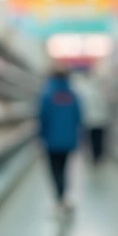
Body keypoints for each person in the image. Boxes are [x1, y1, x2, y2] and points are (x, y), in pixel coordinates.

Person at [38, 67, 81, 210]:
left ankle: (59, 196)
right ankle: (63, 195)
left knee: (54, 169)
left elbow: (42, 117)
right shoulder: (73, 95)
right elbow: (78, 117)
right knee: (65, 167)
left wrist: (41, 136)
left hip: (51, 140)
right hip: (69, 140)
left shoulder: (47, 95)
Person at [72, 72, 110, 164]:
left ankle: (94, 156)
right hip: (100, 120)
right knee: (98, 139)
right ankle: (98, 156)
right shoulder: (100, 93)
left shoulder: (86, 93)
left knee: (92, 140)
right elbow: (104, 107)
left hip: (91, 121)